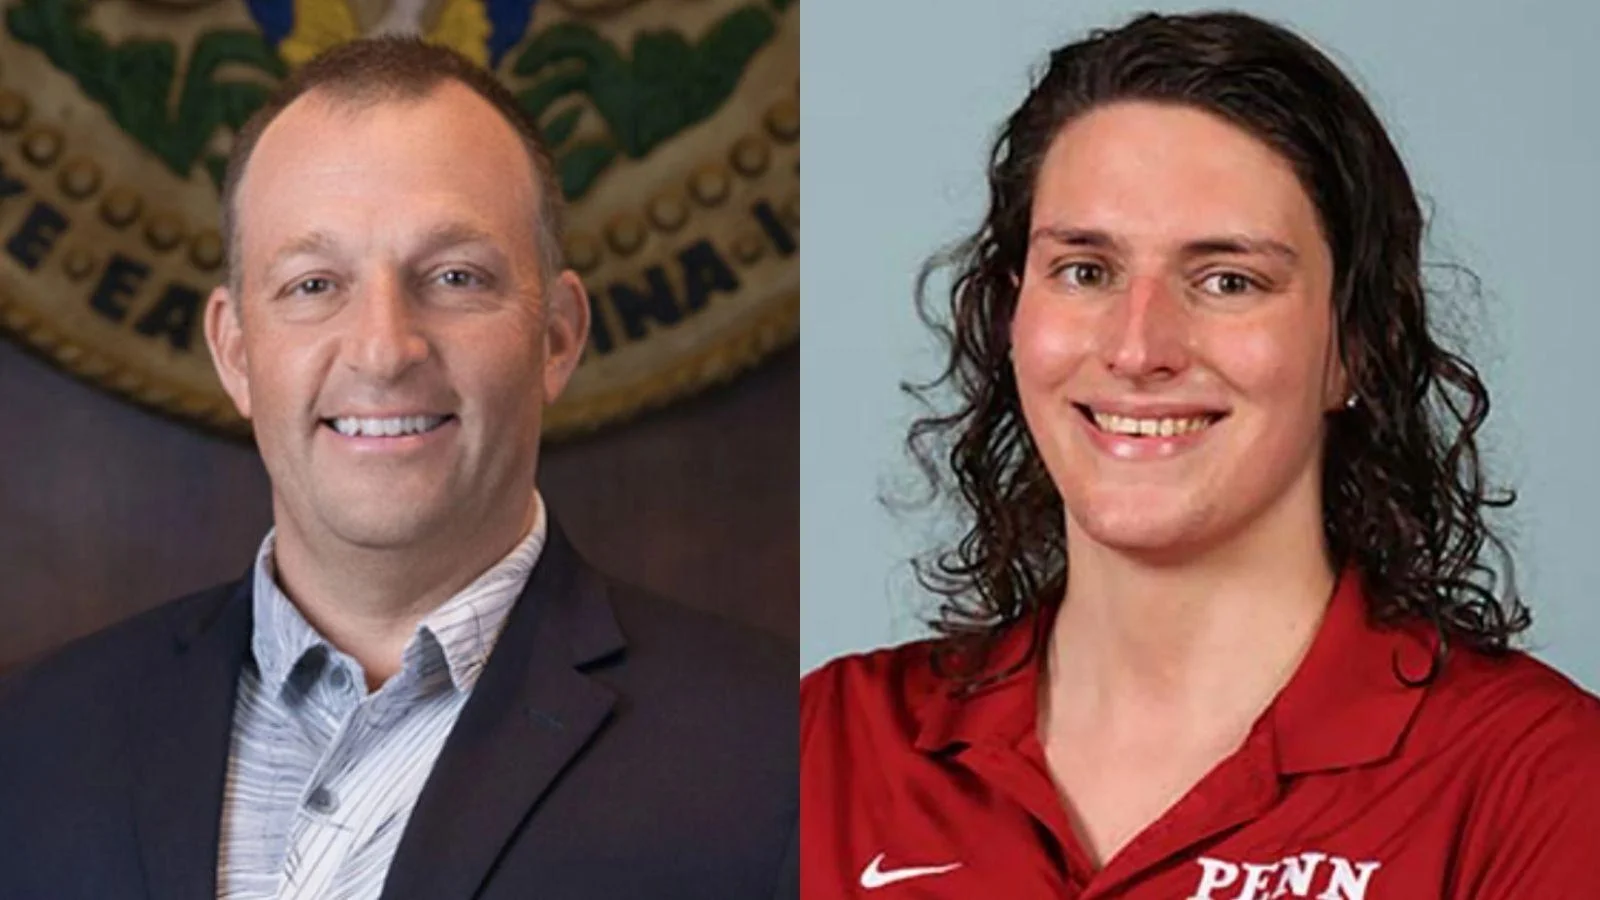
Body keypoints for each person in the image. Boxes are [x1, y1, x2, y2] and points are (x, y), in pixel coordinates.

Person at [800, 11, 1600, 899]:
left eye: (1227, 281)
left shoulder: (1538, 783)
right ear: (1010, 316)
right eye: (1086, 271)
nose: (1140, 348)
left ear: (1357, 346)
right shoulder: (826, 747)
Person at [0, 38, 796, 900]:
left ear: (557, 337)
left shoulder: (783, 750)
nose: (383, 350)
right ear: (235, 351)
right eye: (314, 285)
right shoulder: (27, 742)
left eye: (455, 276)